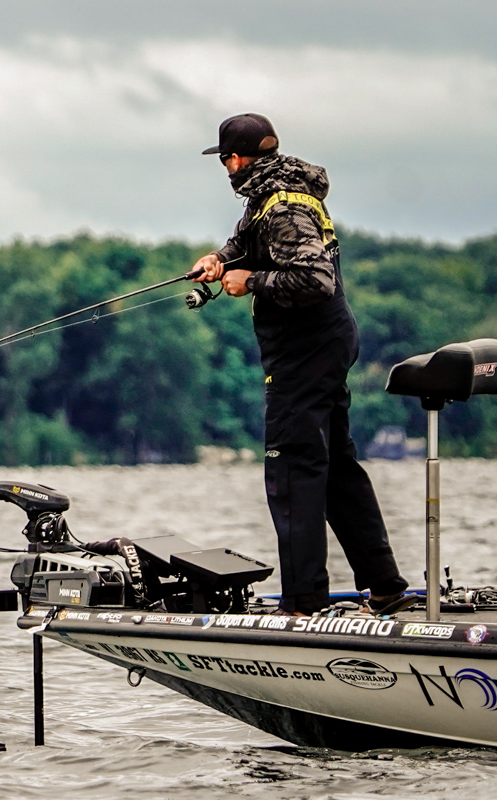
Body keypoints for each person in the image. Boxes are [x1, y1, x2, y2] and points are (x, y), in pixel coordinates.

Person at [191, 113, 416, 616]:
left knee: (292, 471)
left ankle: (302, 603)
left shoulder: (284, 206)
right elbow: (247, 243)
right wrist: (219, 260)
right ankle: (385, 587)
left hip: (306, 353)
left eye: (225, 159)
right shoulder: (275, 193)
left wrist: (250, 282)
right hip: (324, 345)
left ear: (237, 159)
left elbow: (316, 280)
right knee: (334, 469)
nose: (225, 168)